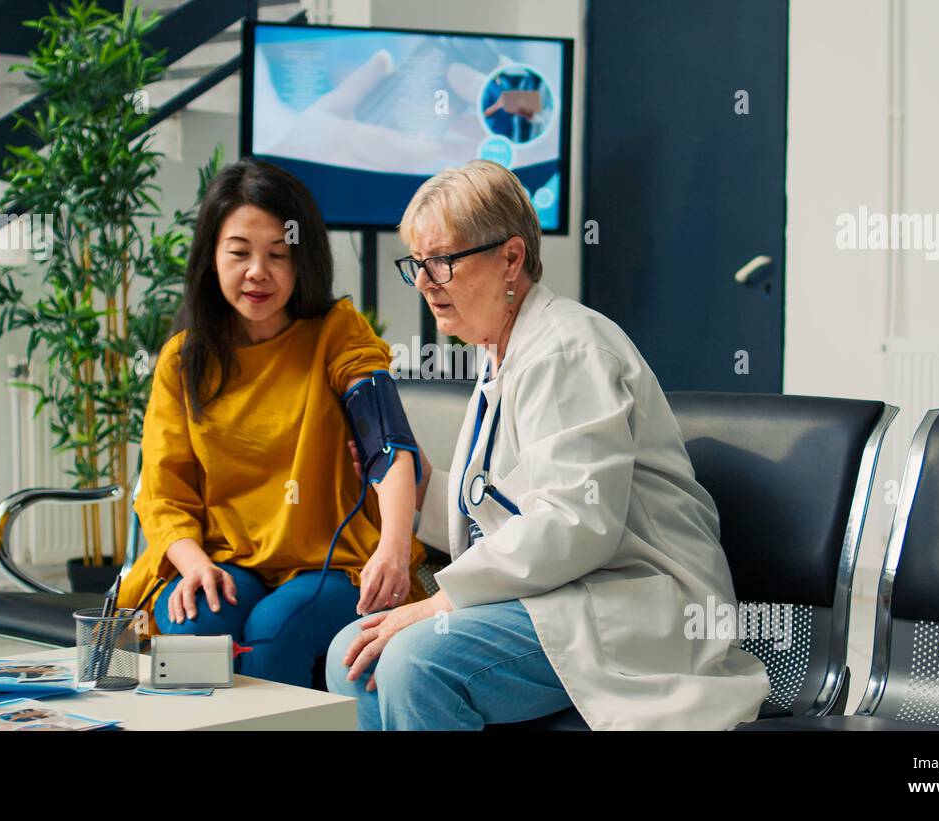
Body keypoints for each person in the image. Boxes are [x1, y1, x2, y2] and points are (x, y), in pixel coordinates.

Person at [326, 160, 770, 729]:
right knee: (355, 656)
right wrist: (423, 490)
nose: (425, 284)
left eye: (442, 262)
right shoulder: (503, 355)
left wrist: (442, 602)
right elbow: (509, 515)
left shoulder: (568, 348)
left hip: (629, 604)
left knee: (416, 660)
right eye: (417, 263)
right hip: (557, 593)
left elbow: (573, 525)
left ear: (511, 257)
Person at [115, 157, 427, 689]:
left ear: (302, 261)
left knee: (274, 632)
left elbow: (389, 445)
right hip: (224, 558)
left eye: (278, 255)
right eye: (239, 253)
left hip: (332, 565)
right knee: (195, 621)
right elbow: (164, 494)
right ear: (211, 257)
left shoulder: (337, 334)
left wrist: (394, 551)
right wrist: (192, 565)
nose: (257, 272)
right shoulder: (181, 360)